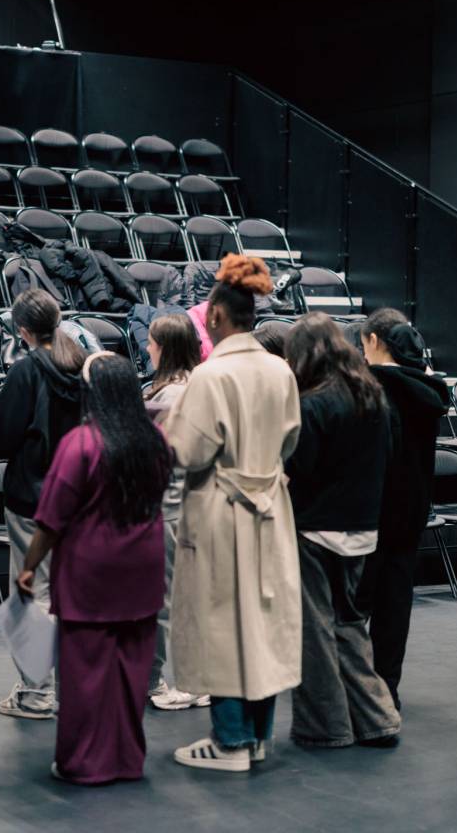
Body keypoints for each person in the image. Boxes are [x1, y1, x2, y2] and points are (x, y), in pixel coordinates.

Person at [165, 255, 302, 773]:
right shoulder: (280, 369)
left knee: (221, 622)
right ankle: (258, 737)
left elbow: (189, 452)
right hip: (270, 504)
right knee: (263, 625)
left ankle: (229, 742)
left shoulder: (211, 375)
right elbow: (291, 437)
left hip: (222, 508)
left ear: (217, 318)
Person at [17, 353, 171, 784]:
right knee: (132, 672)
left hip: (91, 574)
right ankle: (126, 759)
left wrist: (29, 567)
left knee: (84, 674)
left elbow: (50, 519)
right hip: (142, 571)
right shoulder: (155, 440)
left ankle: (84, 762)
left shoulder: (81, 443)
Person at [283, 313, 402, 748]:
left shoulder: (311, 404)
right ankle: (378, 718)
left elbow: (298, 467)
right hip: (362, 528)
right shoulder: (373, 398)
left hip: (315, 529)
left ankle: (325, 727)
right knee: (348, 623)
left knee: (313, 630)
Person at [0, 289, 85, 719]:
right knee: (69, 593)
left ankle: (35, 693)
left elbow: (4, 437)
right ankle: (70, 687)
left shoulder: (26, 372)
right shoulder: (80, 363)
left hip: (32, 495)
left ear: (24, 332)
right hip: (77, 494)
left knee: (32, 592)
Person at [354, 308, 450, 709]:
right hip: (411, 508)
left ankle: (353, 686)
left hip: (369, 508)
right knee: (395, 601)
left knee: (352, 605)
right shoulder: (428, 389)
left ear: (374, 341)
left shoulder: (369, 386)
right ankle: (385, 686)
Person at [141, 313, 208, 711]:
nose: (147, 348)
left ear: (163, 347)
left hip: (170, 505)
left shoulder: (168, 396)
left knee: (163, 601)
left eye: (151, 342)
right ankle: (194, 679)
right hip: (193, 503)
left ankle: (156, 683)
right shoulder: (200, 387)